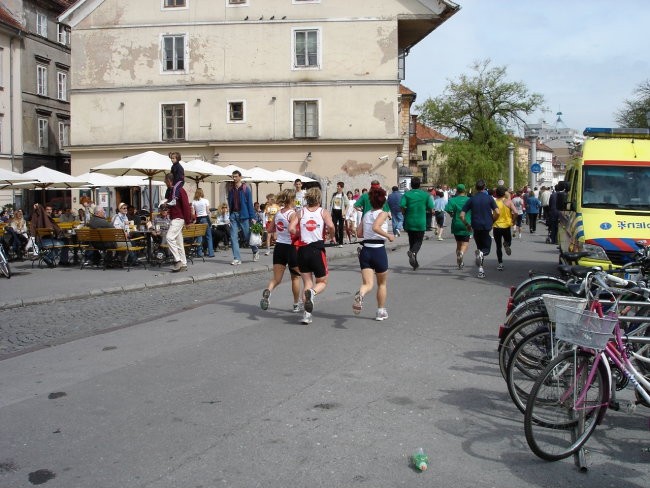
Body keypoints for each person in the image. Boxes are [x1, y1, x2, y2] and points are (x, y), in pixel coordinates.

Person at [289, 187, 335, 325]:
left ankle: (306, 315)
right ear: (319, 199)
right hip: (317, 249)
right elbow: (331, 226)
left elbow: (291, 228)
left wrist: (299, 234)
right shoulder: (323, 212)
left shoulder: (300, 212)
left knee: (307, 283)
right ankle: (312, 293)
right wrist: (331, 236)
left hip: (302, 250)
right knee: (322, 282)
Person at [352, 186, 395, 321]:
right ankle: (380, 311)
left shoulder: (366, 215)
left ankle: (361, 295)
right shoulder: (383, 213)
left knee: (367, 284)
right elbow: (375, 227)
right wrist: (388, 236)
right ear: (383, 201)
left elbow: (359, 233)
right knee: (381, 284)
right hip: (378, 250)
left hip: (366, 250)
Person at [259, 189, 302, 313]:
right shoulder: (293, 214)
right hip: (291, 247)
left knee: (276, 278)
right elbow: (293, 230)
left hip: (279, 247)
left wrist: (279, 231)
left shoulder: (278, 213)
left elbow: (270, 229)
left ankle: (269, 290)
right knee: (295, 278)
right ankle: (295, 304)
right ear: (292, 200)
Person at [460, 179, 498, 279]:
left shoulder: (471, 199)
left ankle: (481, 271)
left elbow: (462, 215)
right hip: (486, 226)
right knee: (486, 249)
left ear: (476, 188)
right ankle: (481, 258)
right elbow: (497, 212)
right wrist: (493, 220)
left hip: (476, 226)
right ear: (484, 186)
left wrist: (467, 225)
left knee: (480, 248)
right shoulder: (489, 198)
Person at [400, 176, 434, 270]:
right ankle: (413, 253)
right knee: (418, 241)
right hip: (420, 221)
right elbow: (431, 208)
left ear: (411, 185)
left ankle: (415, 264)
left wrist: (404, 213)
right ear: (419, 185)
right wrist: (431, 211)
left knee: (412, 241)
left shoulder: (407, 195)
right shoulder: (425, 195)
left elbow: (402, 206)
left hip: (409, 221)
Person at [227, 170, 259, 265]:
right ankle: (237, 258)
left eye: (236, 176)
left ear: (240, 177)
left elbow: (249, 203)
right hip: (234, 215)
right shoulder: (231, 189)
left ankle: (255, 250)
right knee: (233, 237)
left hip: (244, 215)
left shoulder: (245, 189)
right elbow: (230, 202)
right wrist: (230, 214)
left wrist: (253, 217)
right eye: (233, 177)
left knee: (247, 236)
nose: (234, 178)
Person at [163, 172, 192, 272]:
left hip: (178, 218)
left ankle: (177, 260)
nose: (164, 182)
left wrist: (188, 221)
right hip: (176, 218)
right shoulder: (173, 191)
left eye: (165, 181)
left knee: (169, 237)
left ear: (169, 181)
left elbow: (186, 206)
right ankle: (183, 264)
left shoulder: (179, 190)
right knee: (179, 242)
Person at [444, 184, 471, 269]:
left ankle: (460, 262)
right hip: (466, 223)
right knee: (465, 243)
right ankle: (461, 254)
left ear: (457, 191)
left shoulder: (452, 200)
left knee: (459, 243)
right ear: (464, 190)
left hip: (456, 223)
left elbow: (448, 209)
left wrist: (452, 214)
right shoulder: (469, 200)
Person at [493, 186, 516, 271]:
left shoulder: (494, 202)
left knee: (498, 246)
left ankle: (500, 263)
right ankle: (507, 245)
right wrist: (513, 221)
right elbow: (516, 212)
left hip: (496, 226)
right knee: (508, 241)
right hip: (506, 226)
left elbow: (492, 214)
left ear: (496, 194)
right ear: (504, 193)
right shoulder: (508, 202)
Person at [191, 188, 214, 258]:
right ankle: (211, 253)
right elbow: (207, 211)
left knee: (199, 236)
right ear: (202, 193)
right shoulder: (205, 201)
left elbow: (192, 213)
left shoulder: (194, 202)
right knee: (208, 236)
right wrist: (210, 212)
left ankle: (199, 253)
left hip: (198, 219)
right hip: (205, 219)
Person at [329, 181, 348, 247]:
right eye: (337, 186)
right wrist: (330, 211)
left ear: (342, 187)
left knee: (340, 227)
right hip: (334, 211)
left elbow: (347, 205)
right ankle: (336, 240)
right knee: (334, 227)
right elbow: (331, 203)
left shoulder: (344, 195)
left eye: (338, 186)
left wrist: (345, 212)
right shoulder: (334, 194)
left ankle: (341, 242)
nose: (337, 187)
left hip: (341, 212)